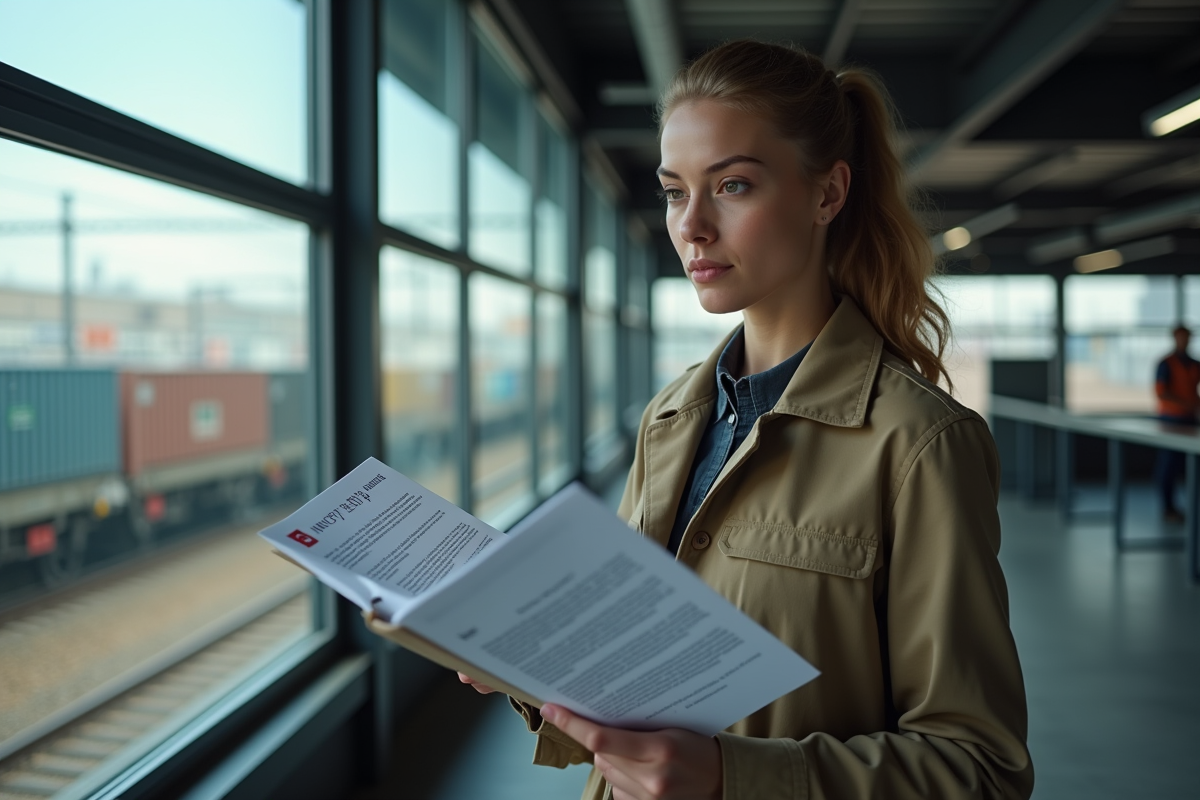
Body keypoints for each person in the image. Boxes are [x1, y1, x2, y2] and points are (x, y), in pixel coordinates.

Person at [461, 39, 1032, 799]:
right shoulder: (669, 418)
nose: (691, 226)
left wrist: (737, 778)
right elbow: (637, 683)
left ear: (827, 194)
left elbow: (981, 768)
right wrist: (528, 665)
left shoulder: (918, 444)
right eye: (673, 191)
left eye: (731, 185)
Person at [1154, 325, 1200, 522]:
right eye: (1181, 337)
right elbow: (1161, 392)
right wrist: (1188, 404)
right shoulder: (1165, 364)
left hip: (1191, 420)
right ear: (1174, 338)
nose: (1184, 341)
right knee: (1169, 464)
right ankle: (1168, 508)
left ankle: (1192, 508)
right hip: (1171, 419)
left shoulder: (1195, 364)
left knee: (1191, 465)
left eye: (1187, 337)